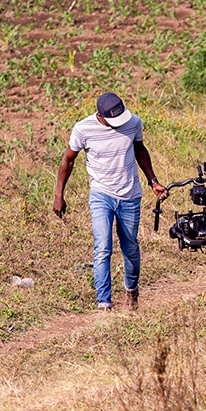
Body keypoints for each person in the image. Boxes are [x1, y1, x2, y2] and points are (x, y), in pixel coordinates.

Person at [53, 92, 168, 311]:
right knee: (103, 247)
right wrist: (59, 195)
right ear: (100, 115)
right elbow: (68, 160)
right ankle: (104, 303)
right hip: (101, 194)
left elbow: (140, 150)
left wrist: (153, 181)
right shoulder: (83, 129)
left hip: (130, 195)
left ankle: (131, 291)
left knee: (130, 247)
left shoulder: (133, 122)